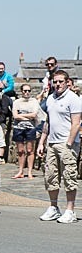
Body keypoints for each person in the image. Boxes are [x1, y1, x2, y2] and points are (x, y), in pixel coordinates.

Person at [36, 70, 81, 224]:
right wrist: (42, 142)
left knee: (69, 177)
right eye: (55, 82)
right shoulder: (50, 99)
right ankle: (54, 207)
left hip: (67, 143)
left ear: (67, 82)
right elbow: (47, 123)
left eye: (61, 81)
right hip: (52, 143)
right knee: (51, 176)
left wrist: (69, 143)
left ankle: (70, 210)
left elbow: (76, 123)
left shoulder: (73, 99)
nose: (58, 84)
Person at [11, 83, 42, 179]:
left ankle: (29, 171)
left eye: (29, 91)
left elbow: (34, 115)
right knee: (20, 151)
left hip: (30, 128)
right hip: (18, 128)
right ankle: (20, 171)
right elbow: (15, 116)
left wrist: (22, 116)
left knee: (30, 150)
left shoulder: (34, 102)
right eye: (25, 91)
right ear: (21, 92)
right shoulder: (17, 102)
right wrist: (27, 116)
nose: (27, 93)